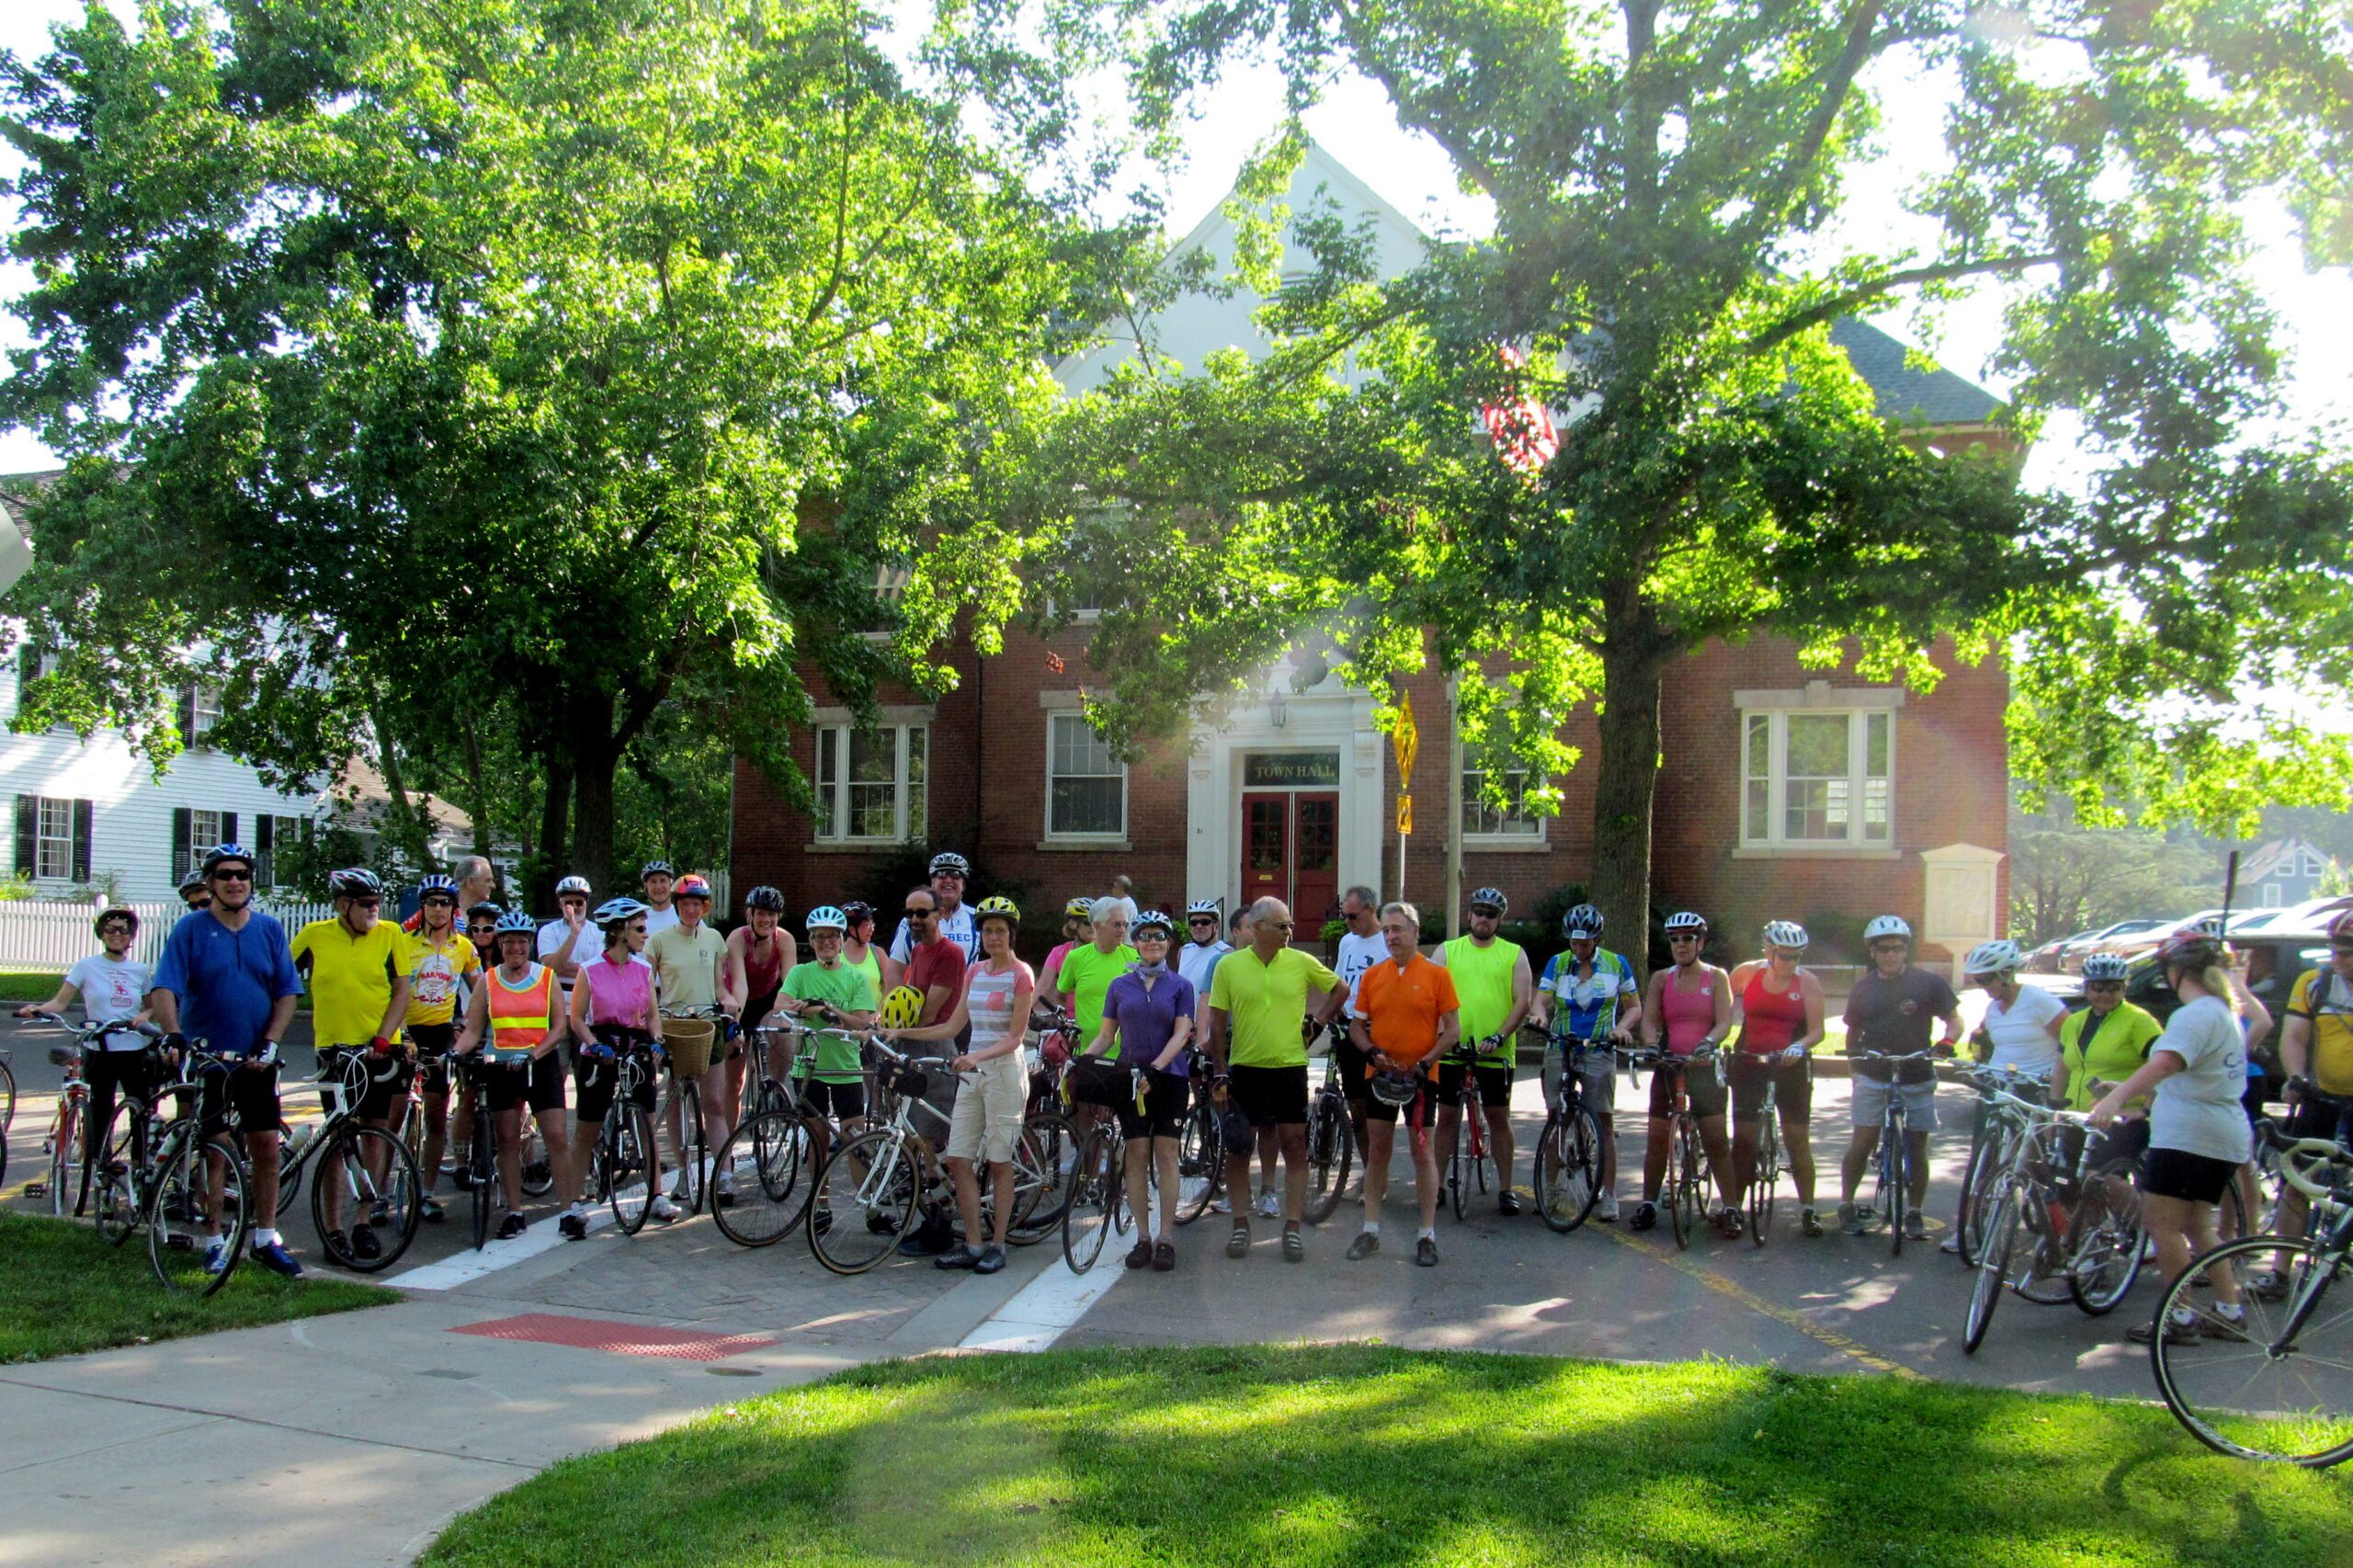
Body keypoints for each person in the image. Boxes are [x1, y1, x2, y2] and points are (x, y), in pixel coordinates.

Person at [146, 843, 304, 1277]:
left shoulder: (269, 929)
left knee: (267, 1148)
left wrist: (271, 1042)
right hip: (209, 1056)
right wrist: (174, 1032)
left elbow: (287, 992)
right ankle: (214, 1239)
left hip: (256, 1059)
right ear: (211, 883)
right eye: (225, 875)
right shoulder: (191, 929)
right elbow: (165, 987)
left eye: (242, 875)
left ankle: (264, 1237)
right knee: (215, 1151)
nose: (235, 882)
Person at [2091, 933, 2252, 1344]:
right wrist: (2136, 1099)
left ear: (2175, 972)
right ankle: (2229, 1309)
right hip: (2219, 1131)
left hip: (2188, 1137)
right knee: (2199, 1224)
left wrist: (2115, 1097)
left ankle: (2179, 1317)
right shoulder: (2222, 1010)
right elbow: (2192, 1076)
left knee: (2161, 1223)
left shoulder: (2195, 1014)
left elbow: (2165, 1063)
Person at [889, 896, 1036, 1275]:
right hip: (971, 1076)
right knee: (957, 1158)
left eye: (1000, 931)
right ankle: (972, 1243)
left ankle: (998, 1245)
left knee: (1000, 1162)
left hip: (1003, 1072)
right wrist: (901, 1031)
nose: (993, 938)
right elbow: (953, 1028)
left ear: (1011, 935)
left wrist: (977, 1056)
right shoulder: (975, 973)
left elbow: (1016, 1037)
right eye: (987, 931)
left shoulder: (1021, 974)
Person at [290, 868, 415, 1261]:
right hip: (334, 1051)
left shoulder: (390, 934)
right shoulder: (314, 936)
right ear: (343, 905)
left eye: (377, 902)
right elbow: (281, 983)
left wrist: (384, 1037)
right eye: (366, 904)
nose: (374, 910)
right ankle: (333, 1228)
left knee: (375, 1133)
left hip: (377, 1050)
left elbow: (402, 991)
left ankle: (363, 1220)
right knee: (338, 1138)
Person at [1207, 896, 1340, 1263]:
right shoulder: (1229, 966)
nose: (1290, 932)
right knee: (1238, 1147)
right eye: (1283, 926)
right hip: (1245, 1067)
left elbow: (1339, 990)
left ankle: (1292, 1227)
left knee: (1294, 1145)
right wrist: (1219, 1071)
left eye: (1291, 925)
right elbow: (1217, 1023)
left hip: (1289, 1067)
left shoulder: (1300, 962)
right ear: (1258, 927)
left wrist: (1319, 1022)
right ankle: (1239, 1224)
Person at [1838, 915, 1962, 1240]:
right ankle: (1847, 1203)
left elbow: (1954, 1020)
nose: (1890, 955)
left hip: (1916, 1071)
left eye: (1896, 948)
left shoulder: (1928, 983)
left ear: (1906, 949)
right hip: (1874, 1072)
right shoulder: (1863, 988)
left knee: (1916, 1145)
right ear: (1872, 952)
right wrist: (1855, 1069)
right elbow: (1853, 1033)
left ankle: (1915, 1211)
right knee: (1863, 1140)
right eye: (1883, 949)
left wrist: (1947, 1042)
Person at [454, 910, 577, 1240]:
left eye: (522, 942)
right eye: (509, 942)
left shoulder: (546, 977)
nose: (516, 948)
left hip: (541, 1063)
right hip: (501, 1066)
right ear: (501, 943)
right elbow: (474, 1029)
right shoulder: (488, 981)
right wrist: (456, 1052)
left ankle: (568, 1211)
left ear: (530, 944)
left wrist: (533, 1054)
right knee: (507, 1140)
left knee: (556, 1136)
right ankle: (514, 1211)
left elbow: (559, 1028)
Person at [1347, 901, 1457, 1267]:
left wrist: (1427, 1061)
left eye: (1398, 929)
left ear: (1415, 932)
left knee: (1422, 1153)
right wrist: (1370, 1051)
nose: (1391, 937)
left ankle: (1426, 1234)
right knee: (1378, 1151)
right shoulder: (1373, 976)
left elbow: (1452, 1030)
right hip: (1379, 1076)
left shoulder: (1437, 975)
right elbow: (1355, 1025)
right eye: (1387, 931)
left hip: (1421, 1078)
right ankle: (1371, 1230)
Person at [2252, 911, 2353, 1294]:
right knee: (2298, 1180)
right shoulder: (2315, 983)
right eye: (2333, 950)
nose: (2335, 959)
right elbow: (2294, 1036)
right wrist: (2295, 1077)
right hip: (2322, 1097)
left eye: (2346, 953)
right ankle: (2280, 1271)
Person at [1092, 910, 1197, 1271]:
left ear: (1168, 943)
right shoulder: (1120, 986)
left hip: (1170, 1077)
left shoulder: (1180, 986)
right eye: (1146, 935)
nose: (1153, 941)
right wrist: (1081, 1061)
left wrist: (1157, 1067)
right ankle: (1142, 1238)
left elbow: (1182, 1034)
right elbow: (1107, 1036)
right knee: (1135, 1155)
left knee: (1166, 1154)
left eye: (1160, 936)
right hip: (1131, 1076)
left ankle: (1166, 1237)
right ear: (1135, 943)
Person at [1948, 937, 2065, 1253]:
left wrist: (2054, 1085)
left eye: (1986, 979)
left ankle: (2057, 1226)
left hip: (2033, 1088)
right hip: (1999, 1086)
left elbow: (2069, 1047)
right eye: (1977, 980)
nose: (1982, 985)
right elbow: (1992, 1045)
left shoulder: (2041, 1002)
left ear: (2008, 973)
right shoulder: (1993, 1007)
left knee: (2035, 1162)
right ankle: (1973, 1223)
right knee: (1983, 1157)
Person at [17, 904, 153, 1175]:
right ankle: (101, 1165)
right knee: (101, 1110)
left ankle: (140, 1168)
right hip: (99, 1047)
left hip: (134, 1047)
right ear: (101, 934)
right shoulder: (86, 966)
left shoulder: (140, 970)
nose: (117, 934)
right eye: (110, 929)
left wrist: (143, 1017)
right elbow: (61, 1001)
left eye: (123, 930)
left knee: (141, 1110)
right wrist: (37, 1009)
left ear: (131, 936)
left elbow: (153, 1006)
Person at [1534, 902, 1643, 1223]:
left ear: (1597, 939)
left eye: (1584, 943)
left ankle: (1609, 1196)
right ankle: (1552, 1189)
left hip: (1598, 1048)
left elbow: (1634, 1006)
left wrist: (1622, 1028)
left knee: (1604, 1121)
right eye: (1573, 942)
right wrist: (1539, 1016)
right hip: (1561, 1046)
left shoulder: (1615, 964)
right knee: (1557, 1117)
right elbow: (1541, 999)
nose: (1578, 948)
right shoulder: (1558, 963)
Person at [776, 906, 880, 1228]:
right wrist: (802, 1011)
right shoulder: (801, 973)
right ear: (811, 941)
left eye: (832, 937)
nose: (826, 943)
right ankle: (820, 1207)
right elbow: (780, 1007)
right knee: (817, 1139)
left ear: (840, 939)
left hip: (845, 1067)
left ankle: (870, 1207)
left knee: (854, 1138)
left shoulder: (855, 977)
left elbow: (863, 1022)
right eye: (819, 937)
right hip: (809, 1069)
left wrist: (831, 1009)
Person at [1634, 906, 1734, 1233]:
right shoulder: (1661, 979)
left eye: (1687, 939)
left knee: (1716, 1139)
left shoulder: (1716, 977)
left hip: (1704, 1065)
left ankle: (1731, 1207)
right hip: (1670, 1064)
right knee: (1657, 1137)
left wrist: (1708, 1042)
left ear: (1700, 943)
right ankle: (1648, 1203)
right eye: (1675, 940)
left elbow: (1724, 1023)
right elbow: (1649, 1020)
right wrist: (1651, 1044)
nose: (1680, 945)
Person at [644, 873, 744, 1203]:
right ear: (677, 906)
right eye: (685, 904)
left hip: (707, 1023)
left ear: (705, 907)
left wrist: (727, 998)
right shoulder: (659, 941)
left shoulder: (714, 939)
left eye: (697, 904)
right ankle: (684, 1175)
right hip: (674, 1026)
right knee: (674, 1104)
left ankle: (725, 1174)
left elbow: (717, 983)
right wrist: (653, 1018)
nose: (691, 910)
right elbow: (648, 985)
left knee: (713, 1103)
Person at [1724, 920, 1825, 1240]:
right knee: (1744, 1142)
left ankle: (1808, 1209)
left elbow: (1817, 1030)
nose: (1790, 963)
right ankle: (1734, 1208)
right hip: (1750, 1062)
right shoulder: (1747, 973)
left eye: (1797, 956)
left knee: (1797, 1139)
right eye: (1784, 955)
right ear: (1768, 951)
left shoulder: (1807, 983)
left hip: (1790, 1065)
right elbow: (1721, 1003)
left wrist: (1800, 1045)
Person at [567, 896, 664, 1233]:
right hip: (601, 1044)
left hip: (636, 1043)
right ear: (619, 930)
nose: (645, 933)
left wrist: (657, 1041)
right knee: (587, 1127)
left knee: (646, 1123)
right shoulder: (590, 970)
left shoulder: (644, 969)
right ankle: (572, 1202)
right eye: (639, 927)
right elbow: (576, 1018)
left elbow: (652, 1014)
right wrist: (593, 1046)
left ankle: (656, 1195)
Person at [403, 872, 483, 1224]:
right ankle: (378, 1193)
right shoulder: (402, 942)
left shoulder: (463, 946)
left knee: (436, 1117)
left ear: (453, 908)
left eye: (445, 903)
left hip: (438, 1033)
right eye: (432, 902)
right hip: (404, 1034)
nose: (438, 909)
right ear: (423, 906)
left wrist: (473, 1021)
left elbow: (481, 988)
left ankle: (429, 1191)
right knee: (392, 1116)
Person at [1313, 885, 1383, 1196]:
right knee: (1356, 1107)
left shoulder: (1386, 943)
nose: (1348, 922)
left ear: (1371, 910)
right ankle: (1369, 1175)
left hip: (1375, 1031)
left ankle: (1376, 1178)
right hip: (1348, 1027)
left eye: (1353, 916)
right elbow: (1339, 982)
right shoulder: (1346, 941)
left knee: (1375, 1108)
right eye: (1344, 916)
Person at [730, 885, 797, 1077]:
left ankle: (776, 1090)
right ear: (749, 914)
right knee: (734, 1082)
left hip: (768, 999)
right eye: (760, 913)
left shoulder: (785, 939)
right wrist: (735, 1021)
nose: (767, 919)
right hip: (740, 1001)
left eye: (772, 914)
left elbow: (790, 982)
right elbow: (739, 985)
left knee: (782, 1030)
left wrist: (795, 1011)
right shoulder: (737, 939)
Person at [1055, 901, 1137, 1051]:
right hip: (1087, 1050)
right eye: (1116, 924)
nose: (1122, 930)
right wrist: (1067, 1021)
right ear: (1098, 925)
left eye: (1125, 925)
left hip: (1125, 1053)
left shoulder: (1135, 958)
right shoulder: (1076, 957)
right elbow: (1060, 995)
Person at [889, 851, 978, 963]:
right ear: (932, 883)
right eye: (941, 874)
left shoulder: (977, 918)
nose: (948, 880)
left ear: (963, 885)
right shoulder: (912, 919)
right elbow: (895, 969)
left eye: (955, 875)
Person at [536, 876, 602, 1005]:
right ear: (560, 904)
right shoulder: (548, 930)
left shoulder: (599, 932)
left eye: (579, 902)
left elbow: (597, 972)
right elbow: (550, 968)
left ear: (586, 904)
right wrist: (574, 934)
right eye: (569, 903)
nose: (574, 908)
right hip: (556, 996)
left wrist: (563, 967)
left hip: (589, 999)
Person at [403, 856, 494, 933]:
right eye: (488, 881)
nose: (493, 886)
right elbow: (400, 934)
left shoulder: (493, 912)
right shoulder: (434, 909)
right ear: (470, 882)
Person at [1038, 896, 1096, 1006]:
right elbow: (1044, 985)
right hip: (1067, 1018)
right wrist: (1025, 1013)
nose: (1093, 927)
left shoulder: (1102, 952)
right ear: (1073, 924)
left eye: (1096, 922)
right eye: (1088, 922)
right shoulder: (1059, 952)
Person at [840, 901, 895, 1000]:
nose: (872, 929)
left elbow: (891, 986)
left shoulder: (878, 953)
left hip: (875, 1014)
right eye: (867, 925)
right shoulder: (836, 955)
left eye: (872, 924)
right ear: (852, 930)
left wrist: (879, 1011)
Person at [640, 860, 680, 937]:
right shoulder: (640, 921)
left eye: (662, 880)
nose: (658, 887)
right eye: (653, 881)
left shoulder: (684, 916)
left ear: (671, 884)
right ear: (646, 887)